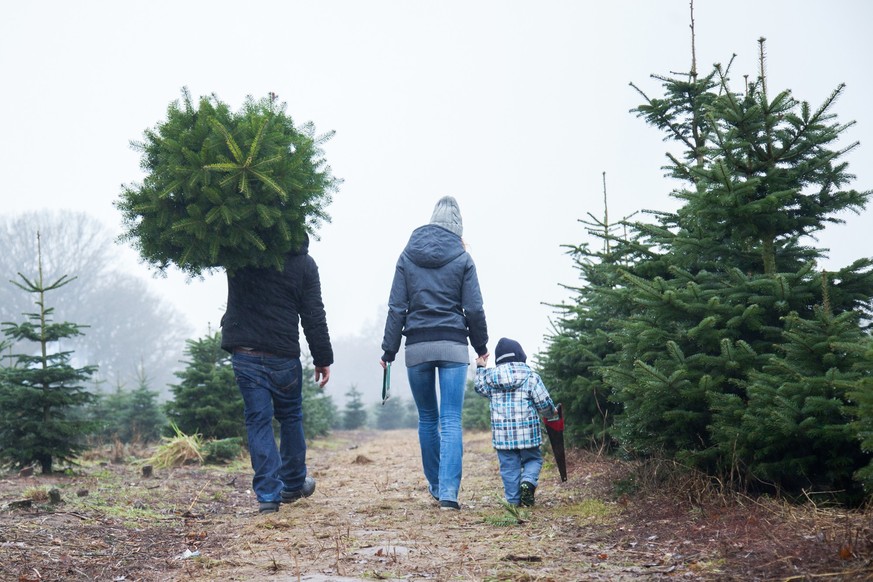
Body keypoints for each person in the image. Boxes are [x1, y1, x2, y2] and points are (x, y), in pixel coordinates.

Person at [380, 196, 489, 511]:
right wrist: (481, 347)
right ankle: (449, 494)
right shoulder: (463, 258)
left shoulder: (407, 256)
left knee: (428, 417)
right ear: (458, 229)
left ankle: (436, 484)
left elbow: (396, 308)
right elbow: (475, 309)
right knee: (451, 418)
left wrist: (389, 350)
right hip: (453, 345)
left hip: (417, 347)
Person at [220, 233, 333, 514]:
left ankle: (268, 497)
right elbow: (313, 314)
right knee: (290, 416)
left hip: (245, 352)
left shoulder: (240, 251)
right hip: (283, 355)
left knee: (258, 422)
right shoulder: (304, 264)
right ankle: (293, 483)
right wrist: (322, 358)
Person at [474, 337, 558, 507]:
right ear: (521, 356)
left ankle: (513, 501)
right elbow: (543, 404)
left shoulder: (490, 379)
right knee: (533, 460)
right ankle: (527, 482)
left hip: (503, 437)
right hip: (528, 434)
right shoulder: (531, 377)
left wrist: (481, 368)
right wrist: (552, 413)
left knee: (508, 468)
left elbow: (479, 388)